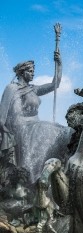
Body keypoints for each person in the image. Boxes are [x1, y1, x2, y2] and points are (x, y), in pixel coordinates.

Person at [0, 51, 71, 183]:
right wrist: (4, 134)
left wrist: (59, 64)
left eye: (33, 71)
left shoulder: (33, 89)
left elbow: (54, 85)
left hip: (35, 125)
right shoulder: (12, 88)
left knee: (64, 131)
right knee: (45, 128)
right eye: (30, 71)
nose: (33, 73)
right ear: (22, 72)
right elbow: (2, 116)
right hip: (21, 127)